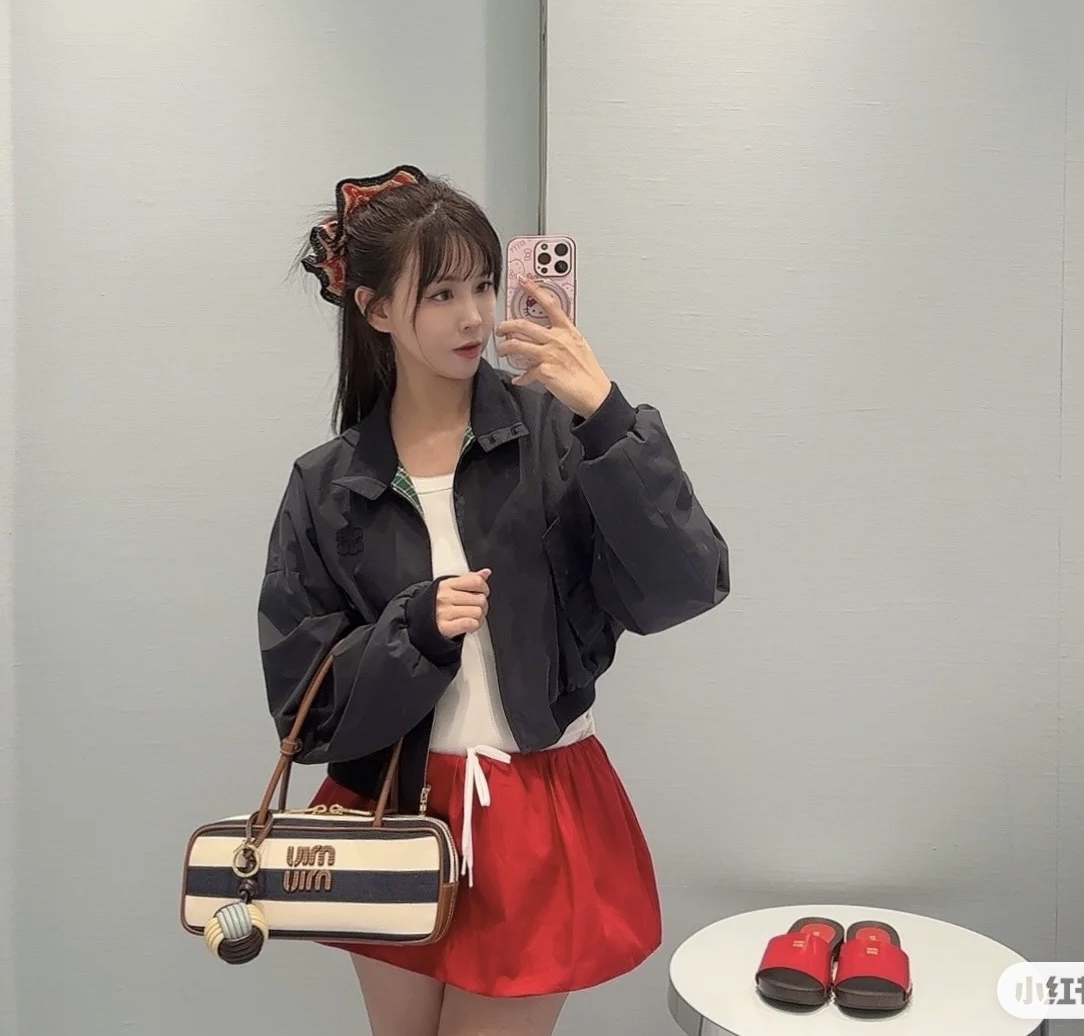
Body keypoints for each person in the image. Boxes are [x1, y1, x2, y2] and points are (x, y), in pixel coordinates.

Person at [257, 165, 730, 1036]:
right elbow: (305, 706)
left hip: (533, 804)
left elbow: (685, 583)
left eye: (482, 284)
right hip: (391, 807)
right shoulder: (329, 485)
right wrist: (413, 629)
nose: (474, 315)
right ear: (375, 310)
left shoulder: (560, 436)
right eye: (440, 294)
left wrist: (607, 414)